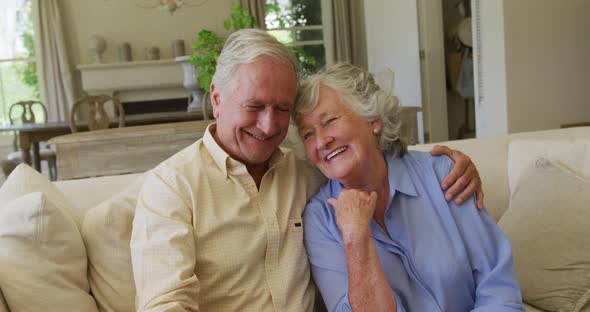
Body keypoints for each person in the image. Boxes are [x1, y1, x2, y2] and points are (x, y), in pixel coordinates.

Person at [130, 29, 483, 311]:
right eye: (254, 106)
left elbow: (367, 159)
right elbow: (165, 304)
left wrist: (451, 163)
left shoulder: (307, 174)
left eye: (282, 109)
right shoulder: (171, 188)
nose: (269, 127)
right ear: (218, 99)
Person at [295, 63, 523, 312]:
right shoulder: (320, 219)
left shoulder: (443, 175)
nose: (321, 141)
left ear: (373, 119)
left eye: (329, 121)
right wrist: (355, 237)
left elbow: (498, 289)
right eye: (308, 134)